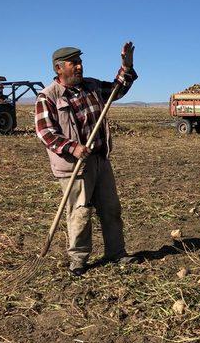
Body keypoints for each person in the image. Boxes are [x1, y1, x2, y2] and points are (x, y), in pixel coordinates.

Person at [35, 42, 138, 276]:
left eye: (80, 62)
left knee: (111, 208)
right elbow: (45, 133)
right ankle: (79, 260)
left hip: (100, 160)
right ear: (59, 68)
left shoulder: (91, 86)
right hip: (74, 166)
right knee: (80, 212)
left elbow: (117, 90)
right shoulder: (48, 97)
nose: (80, 67)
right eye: (74, 63)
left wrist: (126, 65)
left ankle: (117, 253)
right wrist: (72, 148)